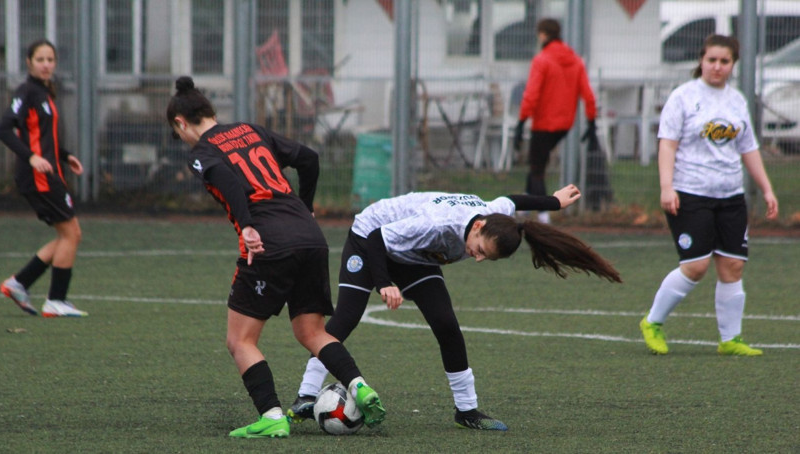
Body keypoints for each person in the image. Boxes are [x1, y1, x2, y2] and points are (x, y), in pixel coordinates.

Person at [286, 184, 621, 430]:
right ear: (477, 226)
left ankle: (467, 411)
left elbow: (513, 199)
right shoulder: (437, 223)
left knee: (447, 325)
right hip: (369, 238)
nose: (477, 258)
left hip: (416, 256)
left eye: (486, 258)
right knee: (346, 317)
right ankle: (306, 396)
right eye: (480, 250)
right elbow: (377, 240)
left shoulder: (494, 214)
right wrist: (385, 282)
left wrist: (554, 202)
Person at [166, 76, 385, 439]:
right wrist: (306, 207)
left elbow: (228, 181)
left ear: (180, 123)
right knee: (312, 332)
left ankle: (271, 415)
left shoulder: (203, 152)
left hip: (270, 242)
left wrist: (247, 226)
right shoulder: (250, 130)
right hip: (310, 237)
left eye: (179, 134)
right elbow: (309, 158)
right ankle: (359, 386)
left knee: (240, 341)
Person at [639, 34, 779, 357]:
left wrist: (767, 189)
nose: (717, 66)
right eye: (711, 60)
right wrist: (666, 186)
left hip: (730, 195)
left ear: (733, 64)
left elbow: (749, 148)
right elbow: (667, 144)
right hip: (690, 193)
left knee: (732, 266)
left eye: (724, 61)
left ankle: (730, 339)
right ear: (701, 61)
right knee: (696, 266)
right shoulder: (683, 97)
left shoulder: (737, 100)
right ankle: (652, 322)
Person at [0, 39, 86, 317]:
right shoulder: (27, 91)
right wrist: (32, 158)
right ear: (29, 62)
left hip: (49, 173)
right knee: (71, 234)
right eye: (40, 60)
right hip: (38, 177)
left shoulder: (45, 92)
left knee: (68, 235)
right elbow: (3, 129)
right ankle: (55, 300)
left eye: (50, 60)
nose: (46, 65)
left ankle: (19, 283)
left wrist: (65, 156)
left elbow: (44, 138)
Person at [513, 18, 597, 224]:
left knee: (537, 169)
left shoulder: (541, 60)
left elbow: (531, 94)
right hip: (564, 125)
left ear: (543, 34)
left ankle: (544, 216)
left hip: (543, 124)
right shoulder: (576, 60)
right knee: (537, 161)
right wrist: (591, 121)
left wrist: (521, 122)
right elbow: (588, 95)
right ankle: (524, 207)